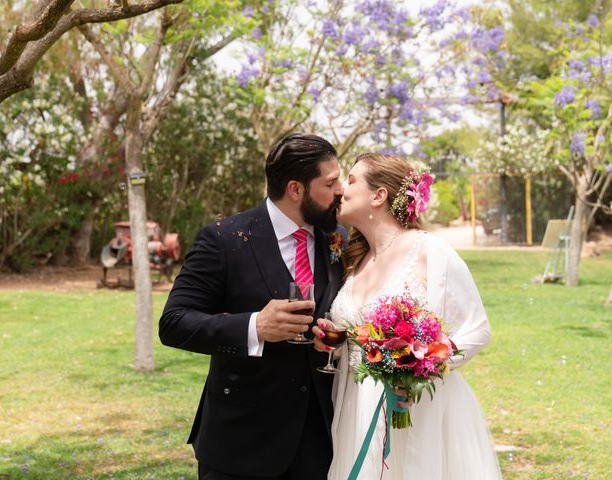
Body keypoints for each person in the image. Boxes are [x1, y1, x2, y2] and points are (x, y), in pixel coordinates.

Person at [159, 133, 345, 480]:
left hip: (319, 443)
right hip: (241, 443)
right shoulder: (223, 239)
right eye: (330, 182)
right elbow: (174, 322)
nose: (341, 191)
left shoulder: (339, 239)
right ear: (295, 189)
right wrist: (255, 327)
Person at [313, 153, 502, 479]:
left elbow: (477, 329)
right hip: (354, 404)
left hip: (410, 407)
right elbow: (360, 335)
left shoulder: (430, 251)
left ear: (379, 195)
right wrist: (335, 338)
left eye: (352, 180)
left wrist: (418, 369)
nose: (342, 189)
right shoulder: (356, 260)